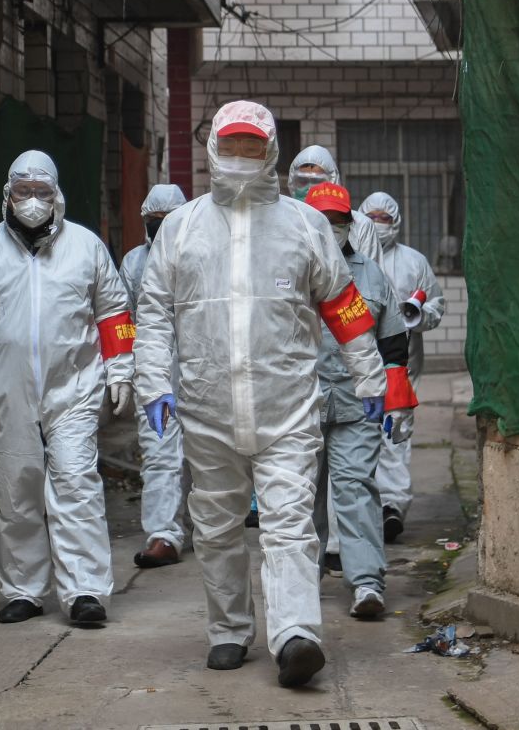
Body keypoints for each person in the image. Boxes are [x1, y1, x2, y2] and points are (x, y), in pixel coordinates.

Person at [134, 100, 388, 688]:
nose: (242, 158)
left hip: (287, 408)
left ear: (270, 151)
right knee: (217, 526)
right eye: (233, 146)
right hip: (206, 407)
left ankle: (296, 634)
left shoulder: (304, 225)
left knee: (291, 524)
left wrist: (370, 374)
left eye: (253, 147)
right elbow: (152, 313)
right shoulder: (182, 228)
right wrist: (152, 381)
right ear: (213, 150)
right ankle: (228, 629)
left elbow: (344, 305)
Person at [0, 150, 135, 625]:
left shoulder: (85, 247)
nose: (31, 201)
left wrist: (121, 370)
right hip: (9, 390)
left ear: (57, 196)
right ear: (7, 194)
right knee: (15, 485)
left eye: (41, 192)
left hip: (74, 387)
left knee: (75, 481)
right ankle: (23, 588)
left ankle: (86, 590)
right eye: (23, 192)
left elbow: (113, 312)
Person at [304, 182, 418, 618]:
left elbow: (392, 343)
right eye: (323, 222)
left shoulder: (369, 274)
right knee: (299, 496)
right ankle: (298, 583)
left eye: (338, 222)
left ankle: (367, 584)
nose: (331, 229)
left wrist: (399, 400)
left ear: (350, 226)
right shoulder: (284, 272)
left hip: (358, 404)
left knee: (355, 489)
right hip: (299, 406)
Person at [358, 191, 445, 542]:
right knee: (360, 433)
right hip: (360, 358)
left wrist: (419, 314)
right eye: (372, 217)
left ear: (396, 222)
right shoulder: (352, 256)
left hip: (402, 362)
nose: (378, 225)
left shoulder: (414, 262)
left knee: (394, 431)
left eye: (384, 218)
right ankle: (366, 506)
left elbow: (436, 303)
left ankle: (392, 506)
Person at [119, 184, 191, 568]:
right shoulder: (134, 263)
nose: (159, 230)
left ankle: (200, 524)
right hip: (155, 370)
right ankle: (163, 534)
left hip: (200, 369)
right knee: (160, 453)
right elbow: (124, 319)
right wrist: (128, 367)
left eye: (168, 223)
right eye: (153, 223)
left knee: (204, 454)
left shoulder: (201, 253)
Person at [287, 145, 382, 264]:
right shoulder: (285, 221)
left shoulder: (361, 225)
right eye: (303, 181)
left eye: (317, 181)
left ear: (333, 181)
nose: (309, 189)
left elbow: (372, 276)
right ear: (292, 183)